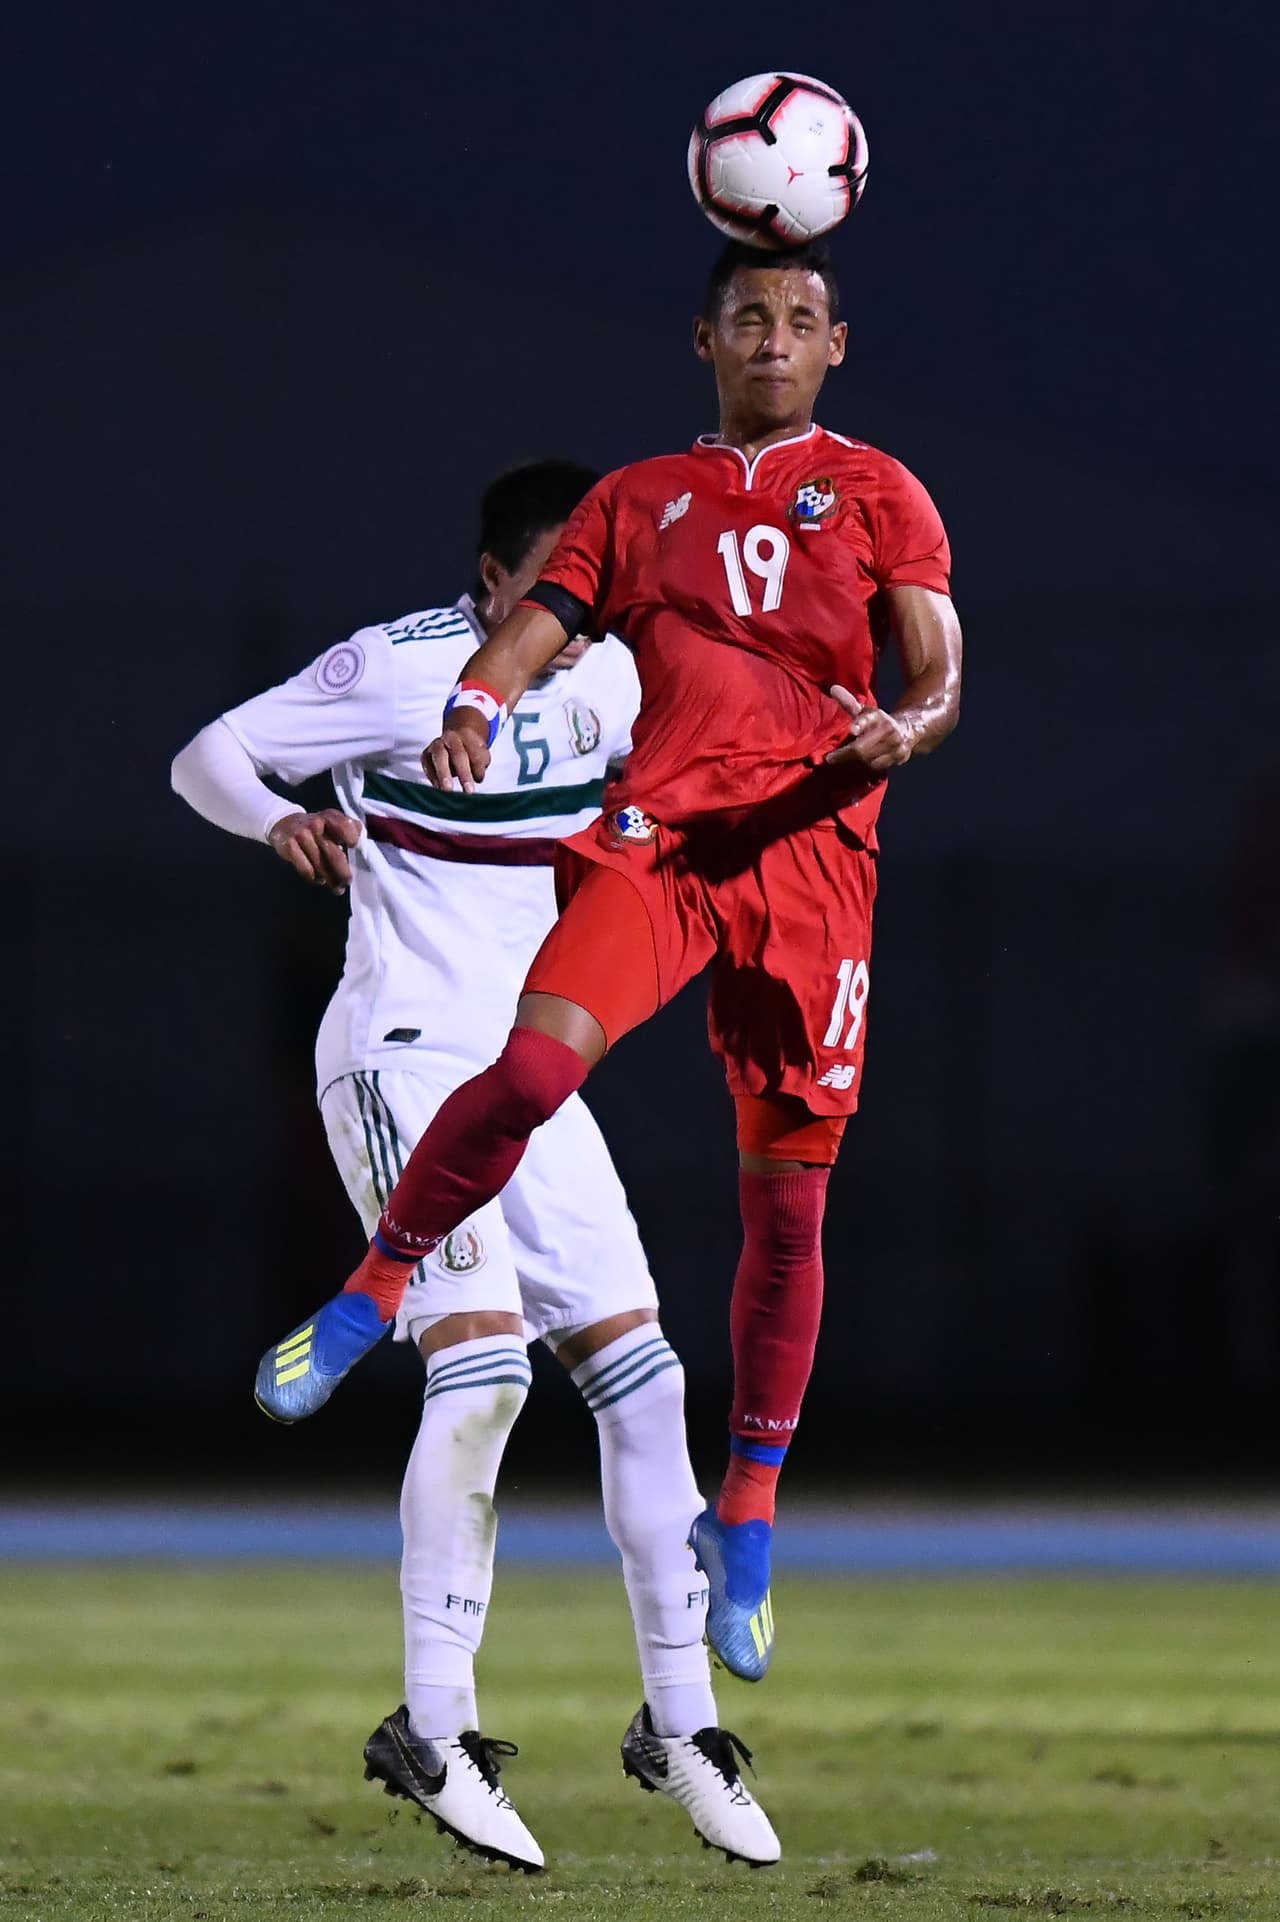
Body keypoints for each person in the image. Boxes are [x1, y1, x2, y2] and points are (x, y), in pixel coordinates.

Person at [258, 237, 964, 1686]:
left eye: (800, 319)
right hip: (669, 843)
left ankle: (750, 1515)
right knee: (528, 1063)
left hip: (817, 867)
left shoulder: (880, 489)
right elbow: (538, 622)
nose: (773, 336)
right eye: (747, 316)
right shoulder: (639, 499)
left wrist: (916, 721)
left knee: (788, 1211)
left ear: (839, 345)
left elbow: (937, 660)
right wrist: (472, 695)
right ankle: (372, 1288)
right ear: (700, 337)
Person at [171, 460, 780, 1873]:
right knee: (486, 1365)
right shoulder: (400, 667)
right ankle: (432, 1724)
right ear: (496, 582)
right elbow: (208, 750)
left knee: (649, 1377)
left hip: (531, 1077)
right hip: (398, 1056)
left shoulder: (619, 679)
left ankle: (679, 1725)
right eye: (554, 587)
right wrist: (280, 820)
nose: (575, 612)